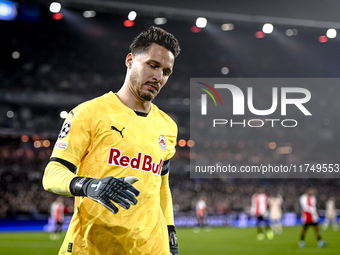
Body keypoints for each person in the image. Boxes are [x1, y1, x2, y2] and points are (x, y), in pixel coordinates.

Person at [42, 26, 181, 255]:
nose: (158, 77)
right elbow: (52, 174)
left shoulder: (167, 126)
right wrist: (88, 186)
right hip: (92, 247)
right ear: (130, 60)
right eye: (152, 65)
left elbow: (162, 187)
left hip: (151, 249)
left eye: (166, 71)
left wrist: (171, 235)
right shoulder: (89, 113)